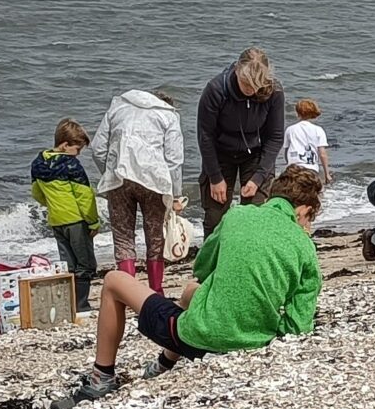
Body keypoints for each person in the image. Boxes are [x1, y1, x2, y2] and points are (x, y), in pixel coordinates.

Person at [57, 166, 324, 407]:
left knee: (114, 281)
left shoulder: (238, 216)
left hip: (198, 337)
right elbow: (298, 326)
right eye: (308, 219)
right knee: (190, 294)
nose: (307, 226)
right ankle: (164, 362)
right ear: (303, 210)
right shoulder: (305, 247)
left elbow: (202, 268)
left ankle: (101, 378)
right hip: (254, 340)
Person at [89, 89, 185, 293]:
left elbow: (97, 148)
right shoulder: (168, 115)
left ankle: (127, 292)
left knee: (123, 237)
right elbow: (174, 160)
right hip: (153, 180)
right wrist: (175, 195)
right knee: (155, 236)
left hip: (120, 177)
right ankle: (156, 291)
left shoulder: (118, 107)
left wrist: (109, 172)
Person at [197, 48, 286, 234]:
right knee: (215, 217)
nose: (251, 90)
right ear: (237, 69)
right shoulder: (215, 89)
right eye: (246, 83)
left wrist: (258, 178)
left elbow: (275, 137)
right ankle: (213, 260)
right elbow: (205, 136)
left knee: (255, 214)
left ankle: (253, 260)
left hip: (255, 153)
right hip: (220, 153)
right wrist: (215, 177)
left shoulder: (274, 92)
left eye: (256, 85)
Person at [32, 119, 102, 304]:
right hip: (76, 220)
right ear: (64, 145)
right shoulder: (72, 165)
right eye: (77, 149)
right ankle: (81, 304)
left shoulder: (38, 163)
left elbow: (37, 193)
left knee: (68, 264)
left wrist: (54, 204)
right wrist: (93, 221)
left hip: (56, 220)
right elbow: (85, 197)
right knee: (85, 264)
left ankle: (69, 303)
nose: (77, 154)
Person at [285, 98, 333, 183]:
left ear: (298, 113)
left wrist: (288, 163)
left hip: (294, 168)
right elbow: (322, 154)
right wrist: (327, 173)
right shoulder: (318, 130)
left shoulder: (290, 129)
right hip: (311, 169)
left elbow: (286, 151)